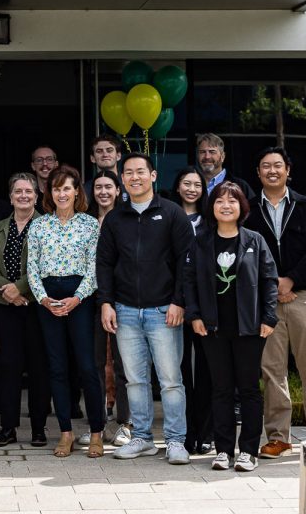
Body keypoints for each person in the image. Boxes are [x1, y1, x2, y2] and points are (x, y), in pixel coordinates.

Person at [99, 153, 194, 465]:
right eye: (128, 172)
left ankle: (176, 440)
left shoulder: (172, 214)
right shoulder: (115, 219)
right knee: (135, 380)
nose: (134, 177)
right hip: (125, 311)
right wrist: (106, 303)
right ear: (122, 178)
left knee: (170, 379)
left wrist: (179, 301)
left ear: (154, 176)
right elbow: (105, 264)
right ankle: (142, 438)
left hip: (164, 310)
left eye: (141, 171)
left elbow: (186, 262)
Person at [244, 147, 306, 458]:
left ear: (288, 170)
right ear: (258, 173)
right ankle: (278, 437)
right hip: (265, 302)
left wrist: (292, 279)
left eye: (277, 165)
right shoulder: (249, 211)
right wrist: (273, 285)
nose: (272, 170)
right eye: (265, 166)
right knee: (272, 371)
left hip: (304, 298)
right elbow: (246, 253)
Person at [185, 182, 278, 473]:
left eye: (232, 201)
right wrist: (195, 315)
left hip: (249, 327)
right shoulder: (200, 241)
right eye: (220, 201)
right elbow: (188, 281)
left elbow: (269, 280)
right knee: (221, 389)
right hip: (213, 327)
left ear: (241, 207)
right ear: (212, 207)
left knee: (249, 389)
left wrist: (269, 317)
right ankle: (224, 449)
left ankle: (248, 450)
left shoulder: (254, 240)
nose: (226, 205)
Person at [27, 164, 104, 459]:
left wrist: (78, 297)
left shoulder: (89, 224)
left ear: (76, 192)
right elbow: (32, 266)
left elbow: (94, 267)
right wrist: (44, 299)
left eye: (67, 188)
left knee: (86, 366)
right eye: (56, 188)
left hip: (79, 298)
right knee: (57, 368)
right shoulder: (40, 225)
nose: (61, 193)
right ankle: (66, 433)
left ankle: (96, 432)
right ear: (51, 192)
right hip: (48, 299)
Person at [0, 173, 50, 448]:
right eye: (18, 191)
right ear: (10, 197)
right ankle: (8, 427)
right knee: (8, 366)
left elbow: (46, 264)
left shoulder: (47, 225)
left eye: (28, 191)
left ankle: (38, 428)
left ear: (36, 196)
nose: (23, 196)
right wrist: (6, 291)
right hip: (4, 306)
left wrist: (20, 289)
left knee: (38, 367)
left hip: (36, 306)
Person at [84, 170, 131, 447]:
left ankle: (126, 423)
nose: (103, 192)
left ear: (117, 190)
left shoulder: (126, 219)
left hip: (122, 298)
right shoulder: (86, 222)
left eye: (108, 187)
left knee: (125, 365)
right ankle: (97, 425)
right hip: (91, 299)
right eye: (98, 187)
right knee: (96, 363)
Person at [170, 166, 213, 455]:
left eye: (197, 184)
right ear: (177, 187)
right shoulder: (169, 217)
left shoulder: (210, 220)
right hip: (174, 300)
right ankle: (185, 433)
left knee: (208, 368)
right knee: (179, 369)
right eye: (186, 183)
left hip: (206, 301)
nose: (192, 189)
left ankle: (206, 432)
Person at [196, 133, 255, 199]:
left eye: (212, 152)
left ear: (223, 156)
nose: (207, 157)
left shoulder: (241, 186)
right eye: (202, 152)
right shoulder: (191, 186)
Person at [83, 134, 127, 203]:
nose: (105, 155)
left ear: (118, 156)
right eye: (99, 151)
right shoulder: (84, 189)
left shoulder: (129, 184)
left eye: (109, 150)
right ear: (92, 158)